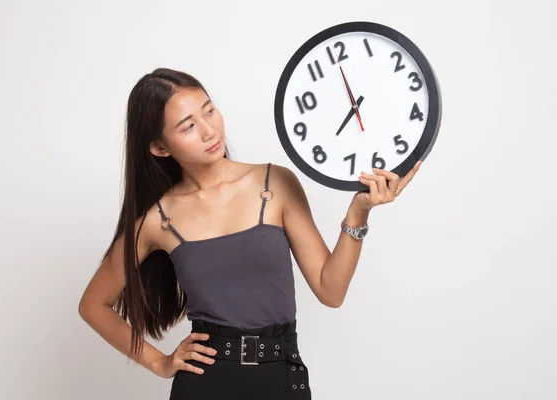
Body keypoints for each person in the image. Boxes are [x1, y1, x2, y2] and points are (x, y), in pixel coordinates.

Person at [78, 67, 422, 400]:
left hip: (281, 377)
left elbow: (330, 290)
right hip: (204, 384)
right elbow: (93, 304)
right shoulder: (157, 219)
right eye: (188, 127)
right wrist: (159, 362)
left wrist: (359, 212)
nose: (209, 131)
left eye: (209, 110)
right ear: (159, 147)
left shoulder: (276, 182)